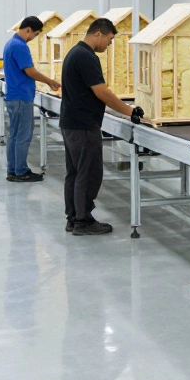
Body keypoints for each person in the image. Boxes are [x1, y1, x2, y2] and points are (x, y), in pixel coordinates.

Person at [59, 18, 143, 236]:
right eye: (110, 39)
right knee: (89, 174)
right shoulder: (86, 57)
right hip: (84, 126)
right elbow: (101, 92)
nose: (109, 44)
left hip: (71, 123)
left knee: (75, 173)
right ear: (98, 33)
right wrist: (129, 111)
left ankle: (73, 217)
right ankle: (83, 221)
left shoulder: (75, 53)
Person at [3, 16, 61, 182]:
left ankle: (13, 169)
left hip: (14, 95)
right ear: (28, 29)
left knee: (14, 135)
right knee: (23, 135)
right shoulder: (20, 46)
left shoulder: (10, 44)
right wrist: (50, 81)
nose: (34, 38)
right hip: (21, 97)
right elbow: (30, 71)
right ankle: (20, 171)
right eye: (35, 34)